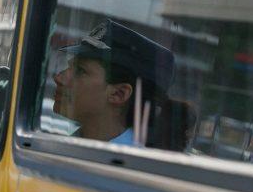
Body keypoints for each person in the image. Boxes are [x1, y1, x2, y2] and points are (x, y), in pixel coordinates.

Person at [51, 18, 174, 146]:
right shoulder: (75, 146)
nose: (59, 78)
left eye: (80, 71)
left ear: (119, 94)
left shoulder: (133, 163)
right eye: (69, 66)